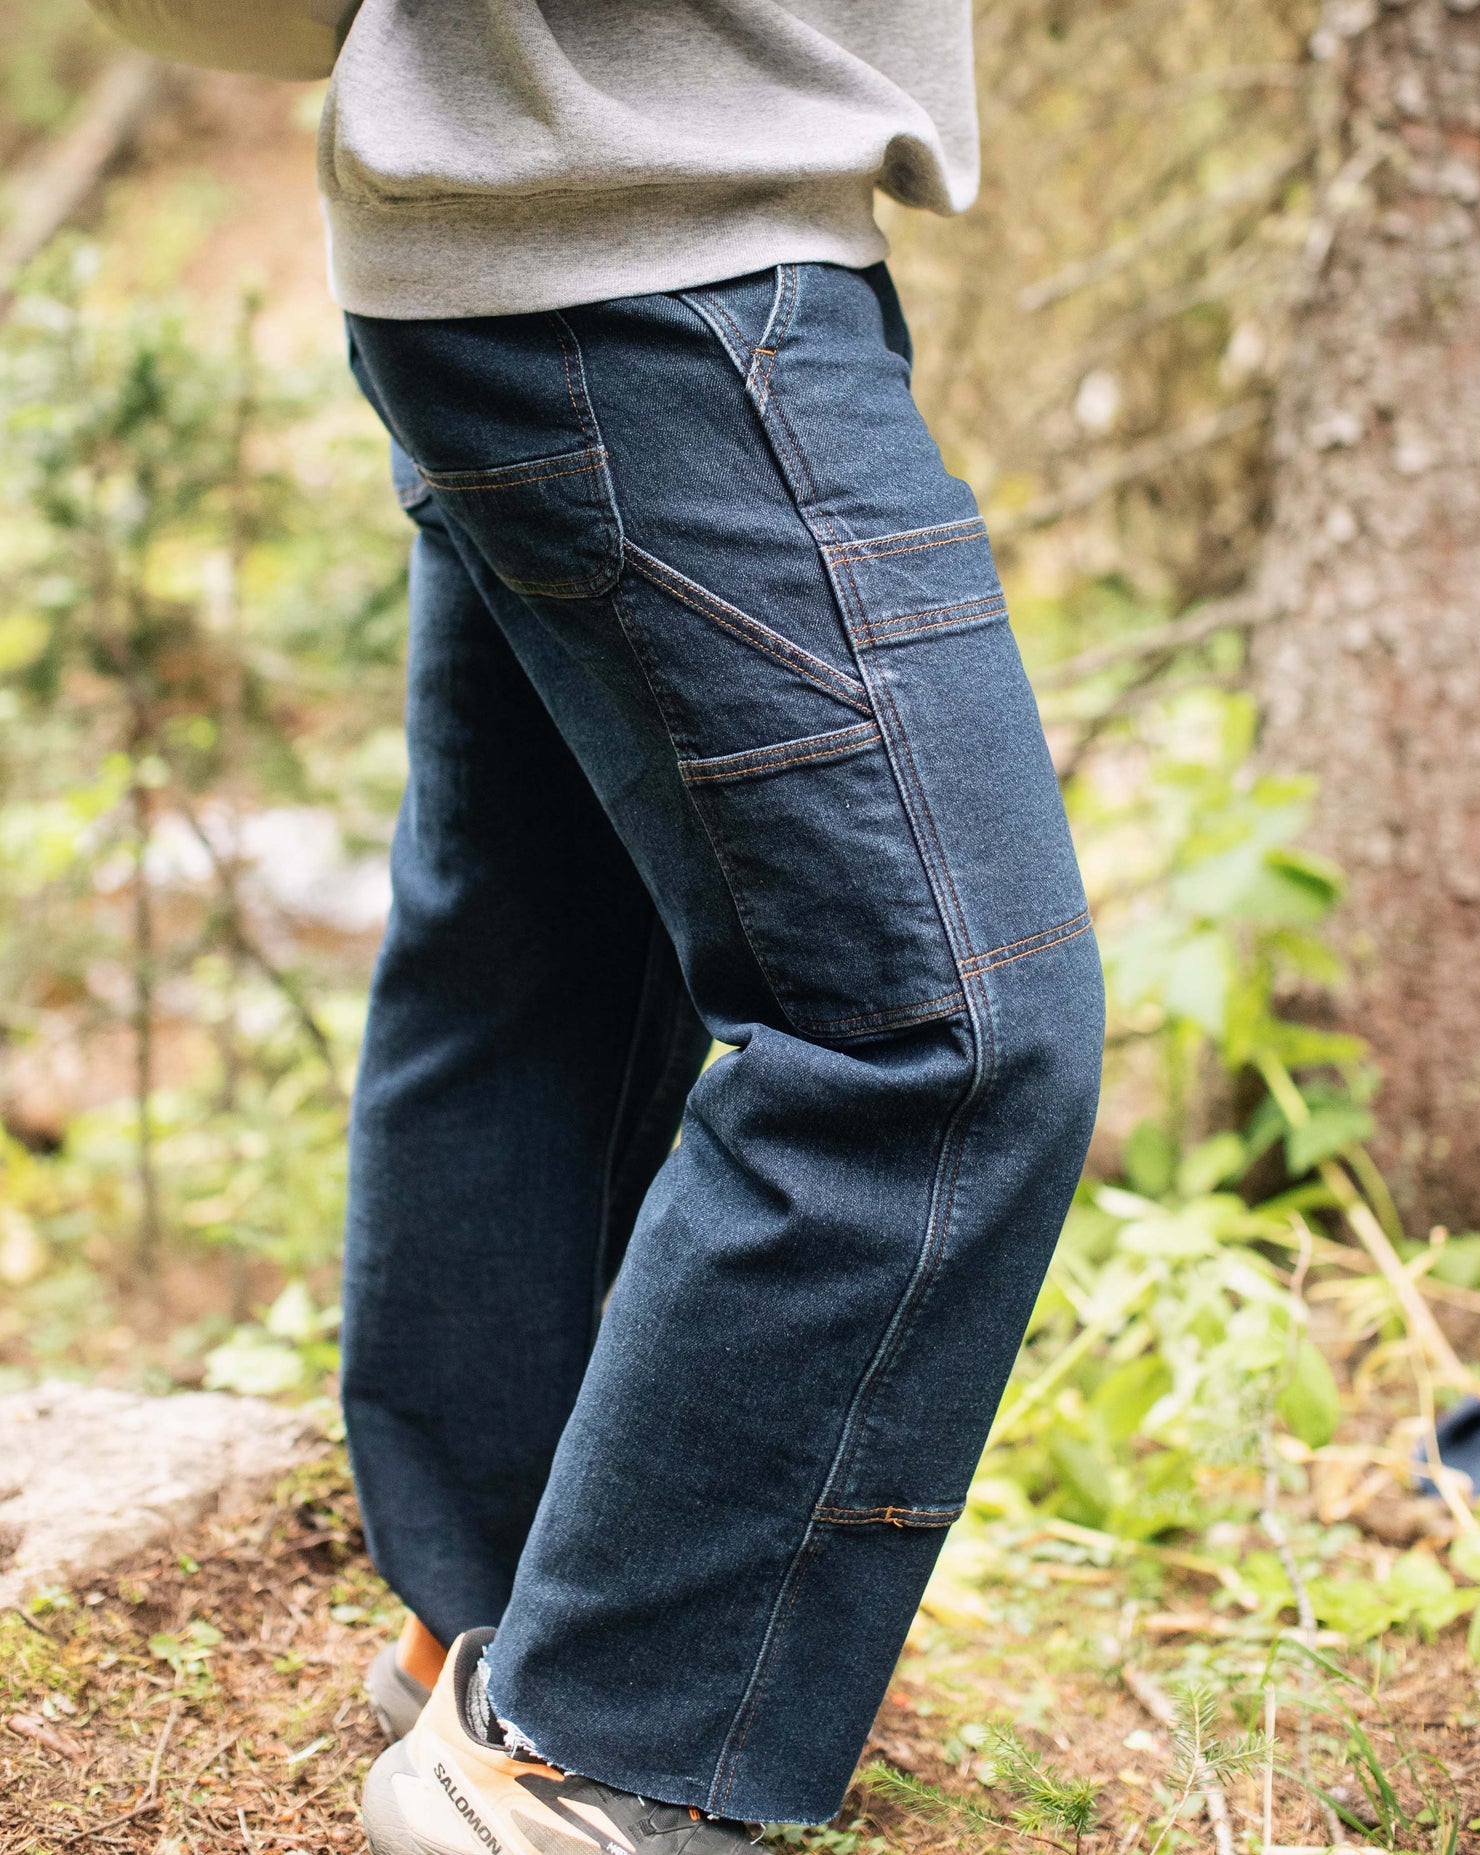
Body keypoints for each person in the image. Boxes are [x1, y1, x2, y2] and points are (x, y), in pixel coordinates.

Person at [86, 4, 1106, 1850]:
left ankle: (491, 1610)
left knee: (546, 951)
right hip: (656, 256)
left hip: (530, 244)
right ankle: (591, 1747)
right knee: (943, 1033)